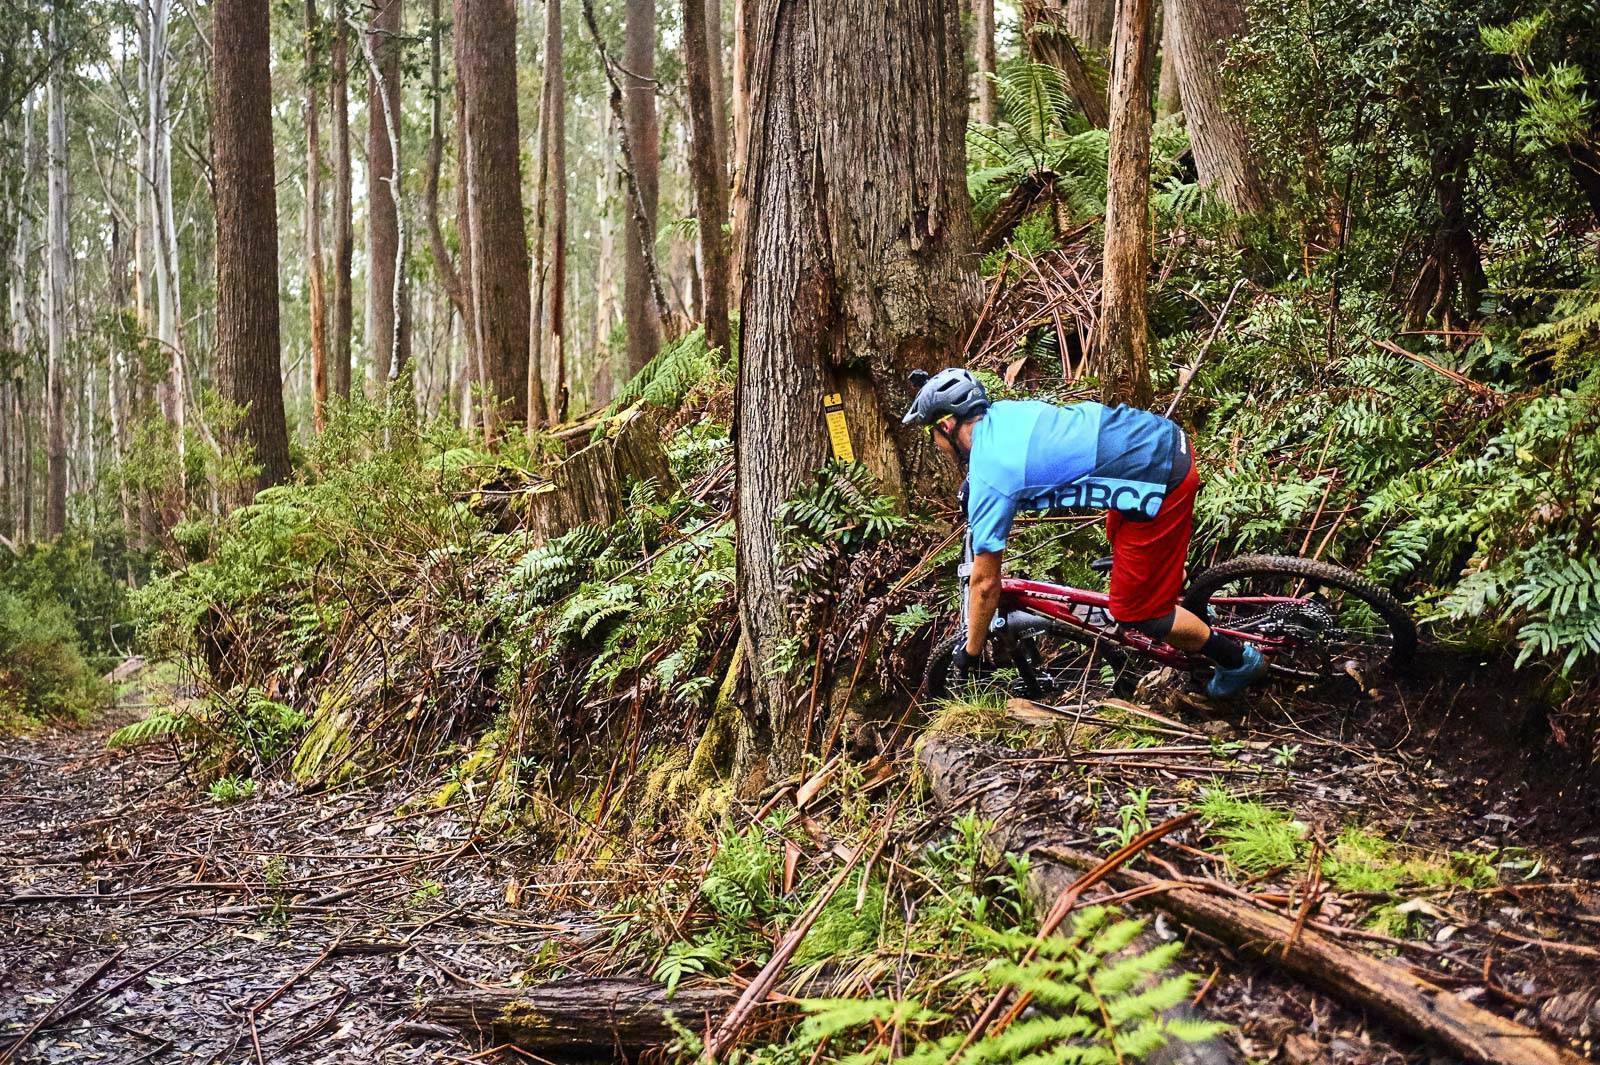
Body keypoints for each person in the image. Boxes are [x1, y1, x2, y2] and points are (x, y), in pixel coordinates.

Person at [901, 367, 1267, 698]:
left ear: (947, 426)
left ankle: (1236, 660)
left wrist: (971, 651)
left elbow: (984, 585)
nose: (935, 445)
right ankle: (1175, 590)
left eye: (933, 434)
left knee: (1137, 613)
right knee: (1119, 537)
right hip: (1154, 445)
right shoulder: (1006, 416)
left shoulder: (991, 477)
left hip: (1161, 479)